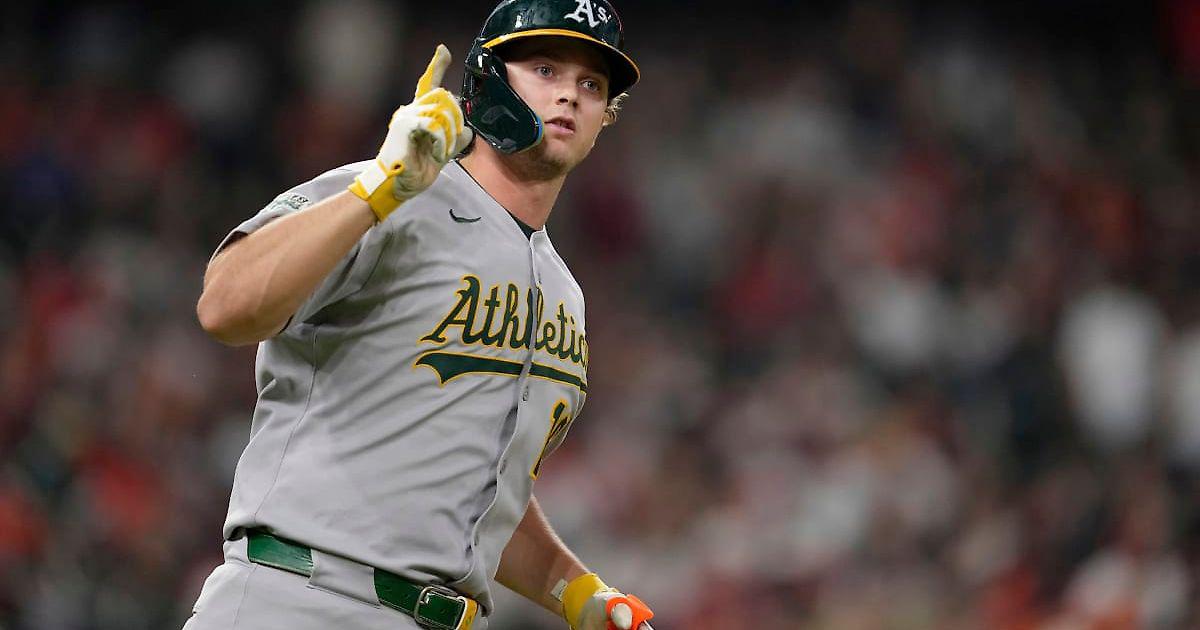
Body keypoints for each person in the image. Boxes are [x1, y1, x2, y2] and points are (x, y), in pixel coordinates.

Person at [187, 1, 654, 629]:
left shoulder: (565, 295)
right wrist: (377, 190)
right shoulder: (394, 189)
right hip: (300, 598)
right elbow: (224, 306)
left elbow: (485, 495)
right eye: (545, 70)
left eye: (591, 85)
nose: (569, 94)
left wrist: (578, 592)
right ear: (490, 81)